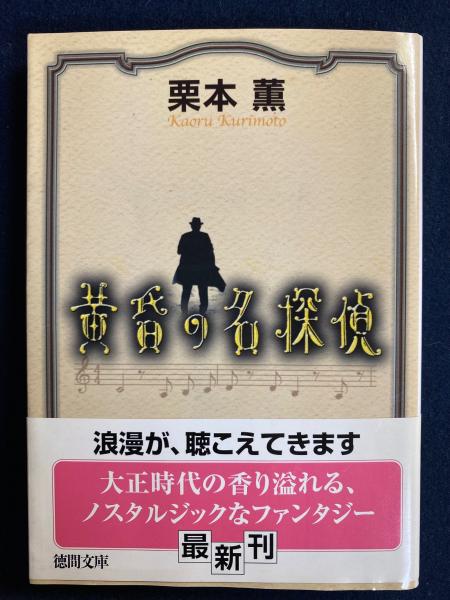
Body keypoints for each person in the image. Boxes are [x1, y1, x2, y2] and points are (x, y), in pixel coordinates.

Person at [173, 217, 226, 314]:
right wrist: (212, 265)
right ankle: (201, 313)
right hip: (201, 268)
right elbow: (210, 251)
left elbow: (179, 251)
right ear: (198, 226)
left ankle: (185, 312)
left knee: (187, 290)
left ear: (192, 226)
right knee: (202, 291)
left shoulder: (186, 236)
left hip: (189, 268)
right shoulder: (204, 236)